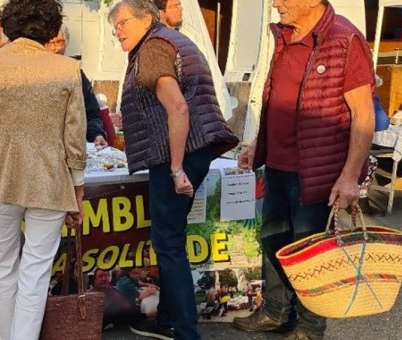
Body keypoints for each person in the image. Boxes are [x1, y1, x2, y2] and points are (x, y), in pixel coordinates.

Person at [233, 1, 376, 339]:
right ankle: (275, 311)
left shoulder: (344, 39)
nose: (275, 4)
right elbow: (275, 100)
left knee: (311, 252)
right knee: (274, 241)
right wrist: (258, 145)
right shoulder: (284, 36)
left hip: (317, 170)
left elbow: (364, 115)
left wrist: (350, 176)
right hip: (278, 166)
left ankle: (310, 326)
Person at [0, 0, 87, 338]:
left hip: (0, 177)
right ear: (52, 28)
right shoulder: (67, 68)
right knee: (36, 272)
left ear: (7, 24)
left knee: (2, 267)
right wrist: (78, 189)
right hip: (50, 180)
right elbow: (76, 135)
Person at [109, 0, 239, 338]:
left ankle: (183, 330)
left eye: (122, 22)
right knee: (171, 238)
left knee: (167, 243)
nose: (116, 29)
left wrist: (177, 167)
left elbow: (178, 107)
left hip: (176, 154)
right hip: (194, 148)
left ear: (144, 18)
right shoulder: (170, 39)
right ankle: (168, 319)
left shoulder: (152, 48)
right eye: (114, 24)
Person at [0, 22, 109, 148]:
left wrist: (97, 134)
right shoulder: (27, 72)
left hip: (67, 148)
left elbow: (91, 112)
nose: (55, 48)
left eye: (60, 42)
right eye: (50, 42)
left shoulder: (75, 73)